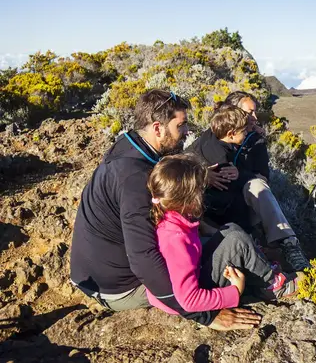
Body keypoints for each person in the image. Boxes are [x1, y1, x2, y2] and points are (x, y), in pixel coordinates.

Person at [70, 89, 262, 330]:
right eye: (180, 126)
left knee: (220, 238)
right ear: (158, 128)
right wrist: (206, 316)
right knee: (227, 256)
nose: (186, 132)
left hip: (93, 273)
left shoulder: (129, 146)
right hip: (118, 287)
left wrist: (201, 176)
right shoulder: (136, 180)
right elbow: (143, 259)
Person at [145, 154, 298, 316]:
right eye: (199, 189)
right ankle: (273, 285)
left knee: (230, 230)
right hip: (189, 297)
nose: (203, 193)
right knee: (237, 241)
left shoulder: (173, 217)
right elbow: (188, 300)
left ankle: (259, 268)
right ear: (189, 198)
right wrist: (234, 291)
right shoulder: (175, 238)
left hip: (196, 274)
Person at [188, 92, 310, 272]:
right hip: (212, 204)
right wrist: (203, 175)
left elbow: (263, 176)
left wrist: (241, 174)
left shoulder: (256, 140)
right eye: (249, 113)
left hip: (242, 201)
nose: (254, 117)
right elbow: (181, 164)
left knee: (257, 185)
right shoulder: (212, 138)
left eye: (255, 112)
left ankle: (288, 243)